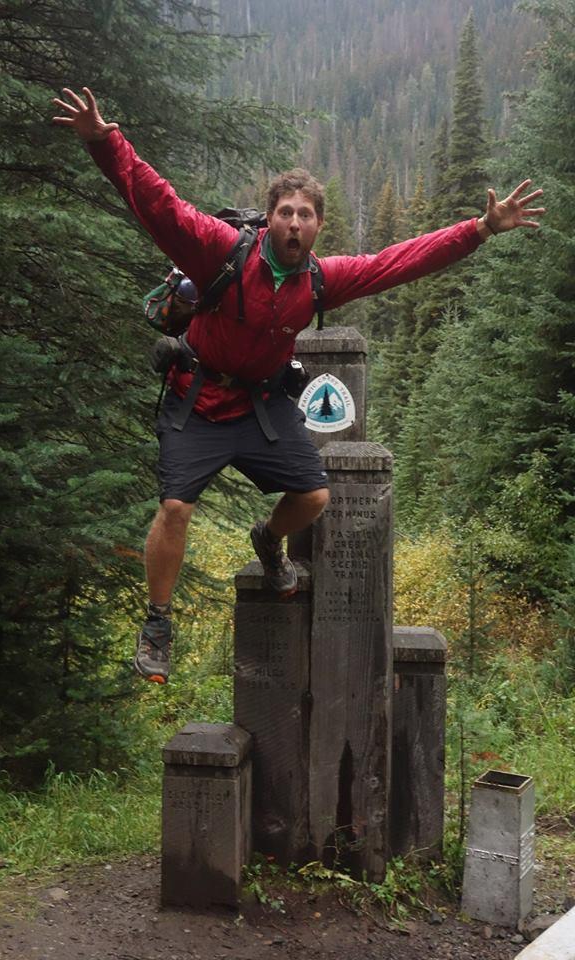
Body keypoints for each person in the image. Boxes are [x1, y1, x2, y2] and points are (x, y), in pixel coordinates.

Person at [52, 86, 545, 684]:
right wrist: (105, 144)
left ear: (318, 226)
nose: (294, 222)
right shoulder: (220, 251)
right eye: (285, 212)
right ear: (270, 219)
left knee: (313, 497)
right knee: (176, 507)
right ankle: (158, 623)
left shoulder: (320, 279)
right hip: (198, 401)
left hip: (260, 404)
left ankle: (267, 539)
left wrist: (481, 228)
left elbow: (400, 260)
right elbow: (160, 205)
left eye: (305, 214)